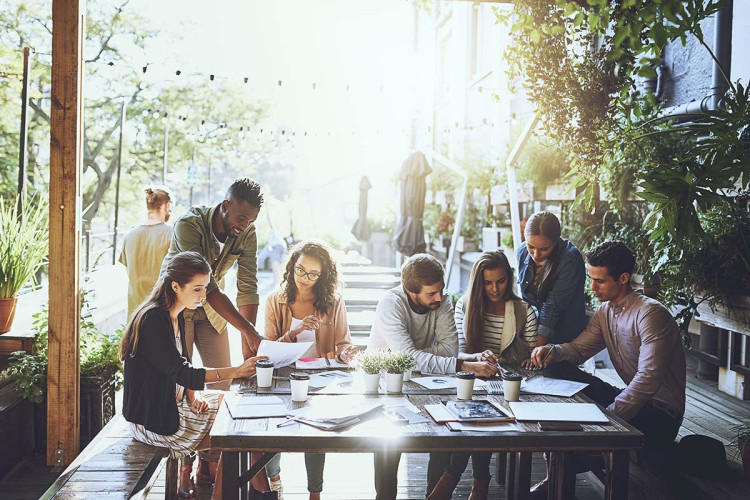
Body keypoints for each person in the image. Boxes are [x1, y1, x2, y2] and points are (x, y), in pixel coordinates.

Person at [527, 241, 686, 498]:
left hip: (659, 416)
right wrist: (552, 351)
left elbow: (647, 380)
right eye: (591, 279)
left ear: (623, 278)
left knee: (574, 440)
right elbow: (579, 350)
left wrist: (609, 417)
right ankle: (558, 476)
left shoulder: (650, 314)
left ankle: (559, 480)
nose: (592, 287)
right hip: (629, 399)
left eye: (599, 280)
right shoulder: (605, 311)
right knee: (555, 367)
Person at [120, 251, 276, 499]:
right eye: (197, 289)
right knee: (238, 429)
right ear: (175, 286)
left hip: (173, 405)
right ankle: (260, 494)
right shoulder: (153, 320)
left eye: (205, 288)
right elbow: (183, 372)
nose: (203, 296)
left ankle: (253, 494)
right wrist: (235, 371)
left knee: (241, 412)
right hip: (154, 420)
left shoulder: (175, 313)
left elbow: (182, 363)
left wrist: (192, 396)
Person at [160, 177, 265, 484]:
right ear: (225, 206)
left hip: (212, 315)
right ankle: (183, 465)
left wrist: (250, 341)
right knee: (181, 387)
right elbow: (211, 288)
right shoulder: (189, 224)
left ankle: (209, 462)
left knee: (224, 384)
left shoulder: (248, 234)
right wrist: (248, 331)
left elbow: (248, 287)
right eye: (241, 218)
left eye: (251, 220)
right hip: (178, 307)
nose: (244, 225)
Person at [368, 254, 497, 500]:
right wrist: (462, 364)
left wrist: (413, 355)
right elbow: (420, 358)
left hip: (429, 384)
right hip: (388, 386)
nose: (439, 297)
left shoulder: (442, 301)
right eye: (431, 294)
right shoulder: (390, 305)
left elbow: (448, 351)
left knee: (442, 433)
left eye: (441, 290)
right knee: (388, 445)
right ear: (410, 290)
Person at [428, 251, 538, 500]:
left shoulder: (523, 311)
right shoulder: (466, 305)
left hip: (508, 384)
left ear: (509, 280)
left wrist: (503, 364)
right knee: (476, 409)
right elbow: (461, 351)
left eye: (500, 281)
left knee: (483, 412)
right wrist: (479, 359)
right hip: (473, 380)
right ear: (479, 282)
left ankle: (453, 476)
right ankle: (480, 479)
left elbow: (529, 359)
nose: (495, 289)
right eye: (487, 283)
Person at [263, 241, 358, 500]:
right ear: (292, 265)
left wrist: (344, 353)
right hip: (281, 376)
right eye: (300, 270)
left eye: (313, 274)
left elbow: (344, 344)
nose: (304, 278)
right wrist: (295, 331)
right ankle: (275, 481)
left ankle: (314, 493)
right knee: (274, 427)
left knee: (316, 431)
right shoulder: (275, 300)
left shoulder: (333, 302)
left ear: (323, 276)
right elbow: (268, 350)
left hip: (319, 378)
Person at [516, 211, 586, 345]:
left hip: (566, 334)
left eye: (544, 249)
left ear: (555, 241)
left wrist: (536, 350)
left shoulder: (569, 257)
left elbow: (552, 307)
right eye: (530, 246)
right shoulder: (522, 252)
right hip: (534, 330)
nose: (536, 255)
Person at [119, 186, 173, 317]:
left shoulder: (130, 236)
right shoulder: (172, 234)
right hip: (162, 310)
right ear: (166, 206)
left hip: (135, 312)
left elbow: (129, 273)